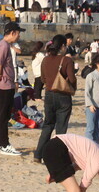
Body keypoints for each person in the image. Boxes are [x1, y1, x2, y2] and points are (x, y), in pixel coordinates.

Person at [33, 35, 77, 163]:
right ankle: (57, 156)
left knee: (48, 125)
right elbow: (72, 79)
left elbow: (42, 79)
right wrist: (71, 87)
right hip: (63, 95)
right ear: (63, 46)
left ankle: (38, 154)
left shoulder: (45, 60)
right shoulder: (67, 61)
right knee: (61, 128)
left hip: (49, 94)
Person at [0, 21, 23, 156]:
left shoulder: (3, 45)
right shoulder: (3, 46)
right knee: (3, 116)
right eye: (18, 33)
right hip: (4, 86)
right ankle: (4, 144)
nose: (19, 36)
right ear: (13, 33)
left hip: (3, 84)